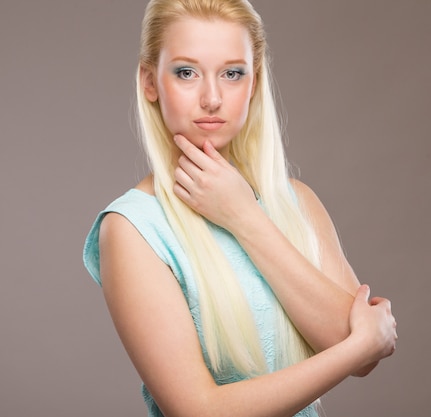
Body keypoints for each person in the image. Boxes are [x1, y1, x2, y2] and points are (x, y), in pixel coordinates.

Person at [83, 1, 397, 416]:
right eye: (186, 72)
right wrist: (359, 346)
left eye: (232, 73)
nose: (212, 98)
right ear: (149, 81)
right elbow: (197, 410)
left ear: (254, 82)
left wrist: (245, 217)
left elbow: (363, 357)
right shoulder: (132, 229)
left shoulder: (297, 202)